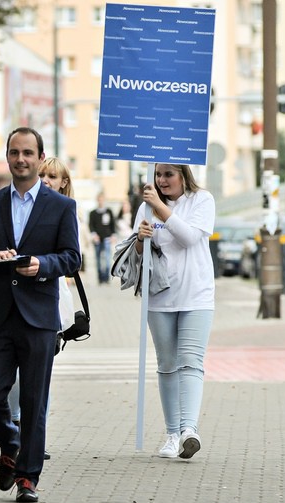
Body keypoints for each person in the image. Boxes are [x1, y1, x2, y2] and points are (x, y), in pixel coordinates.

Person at [0, 128, 80, 503]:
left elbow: (73, 257)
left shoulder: (61, 207)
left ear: (40, 158)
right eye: (15, 153)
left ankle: (28, 476)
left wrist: (43, 265)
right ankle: (11, 442)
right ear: (8, 157)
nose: (21, 159)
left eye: (28, 153)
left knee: (33, 400)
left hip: (39, 316)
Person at [133, 163, 215, 460]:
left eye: (168, 174)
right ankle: (171, 433)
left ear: (183, 174)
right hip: (160, 298)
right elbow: (137, 254)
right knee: (167, 365)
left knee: (191, 363)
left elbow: (190, 237)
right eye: (158, 174)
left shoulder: (201, 200)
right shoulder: (146, 207)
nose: (162, 180)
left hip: (196, 297)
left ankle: (189, 430)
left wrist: (159, 208)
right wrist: (141, 239)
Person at [7, 156, 77, 460]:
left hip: (50, 297)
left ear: (63, 182)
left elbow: (72, 257)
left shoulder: (65, 210)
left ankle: (34, 437)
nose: (47, 179)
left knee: (40, 375)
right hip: (16, 296)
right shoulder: (23, 204)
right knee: (14, 375)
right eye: (44, 174)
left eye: (53, 175)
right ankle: (15, 429)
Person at [88, 192, 116, 284]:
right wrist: (94, 235)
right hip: (97, 239)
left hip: (107, 237)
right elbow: (91, 225)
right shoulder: (93, 213)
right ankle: (100, 278)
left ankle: (106, 278)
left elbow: (113, 224)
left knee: (107, 258)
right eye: (99, 199)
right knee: (98, 259)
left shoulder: (109, 212)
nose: (101, 201)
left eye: (102, 199)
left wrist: (113, 235)